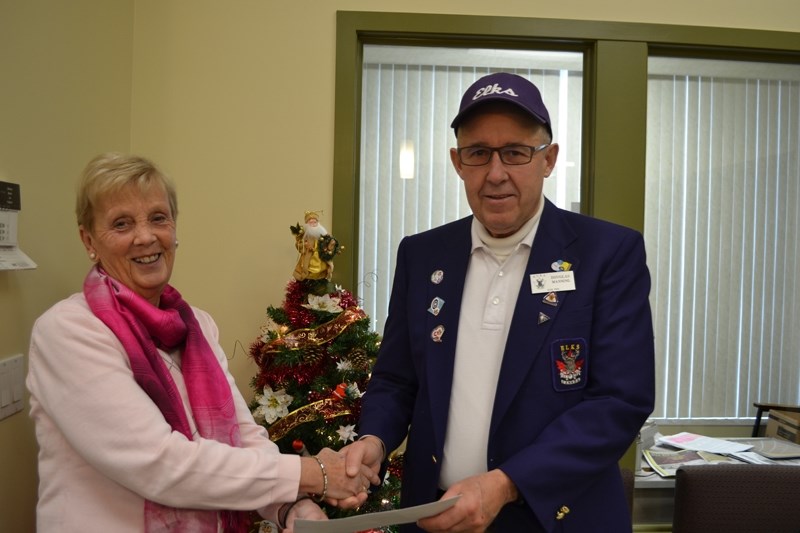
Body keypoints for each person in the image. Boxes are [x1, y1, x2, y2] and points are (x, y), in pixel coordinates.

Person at [345, 72, 656, 532]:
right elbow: (396, 378)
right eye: (478, 153)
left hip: (558, 519)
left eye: (515, 152)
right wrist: (374, 438)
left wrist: (507, 482)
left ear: (548, 159)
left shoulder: (607, 254)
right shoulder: (422, 254)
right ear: (457, 162)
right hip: (436, 518)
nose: (495, 174)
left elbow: (619, 401)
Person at [26, 153, 378, 532]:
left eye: (158, 218)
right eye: (121, 223)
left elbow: (243, 440)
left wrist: (291, 507)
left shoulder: (196, 326)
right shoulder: (68, 332)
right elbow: (161, 464)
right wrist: (313, 473)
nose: (146, 237)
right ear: (88, 240)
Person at [292, 211, 335, 282]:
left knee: (323, 267)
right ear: (307, 224)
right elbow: (298, 244)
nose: (313, 224)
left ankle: (321, 278)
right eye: (311, 223)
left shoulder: (324, 235)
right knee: (306, 269)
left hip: (321, 258)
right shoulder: (304, 235)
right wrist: (304, 245)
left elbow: (330, 244)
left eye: (315, 222)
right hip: (308, 258)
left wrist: (330, 244)